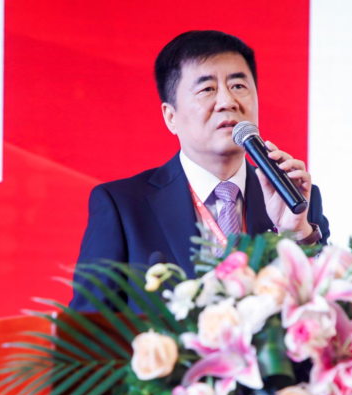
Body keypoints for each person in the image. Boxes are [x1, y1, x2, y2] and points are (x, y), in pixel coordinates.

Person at [69, 30, 330, 311]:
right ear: (171, 117)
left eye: (239, 86)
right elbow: (88, 329)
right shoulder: (123, 207)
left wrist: (296, 234)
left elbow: (328, 314)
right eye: (207, 89)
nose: (228, 101)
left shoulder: (296, 199)